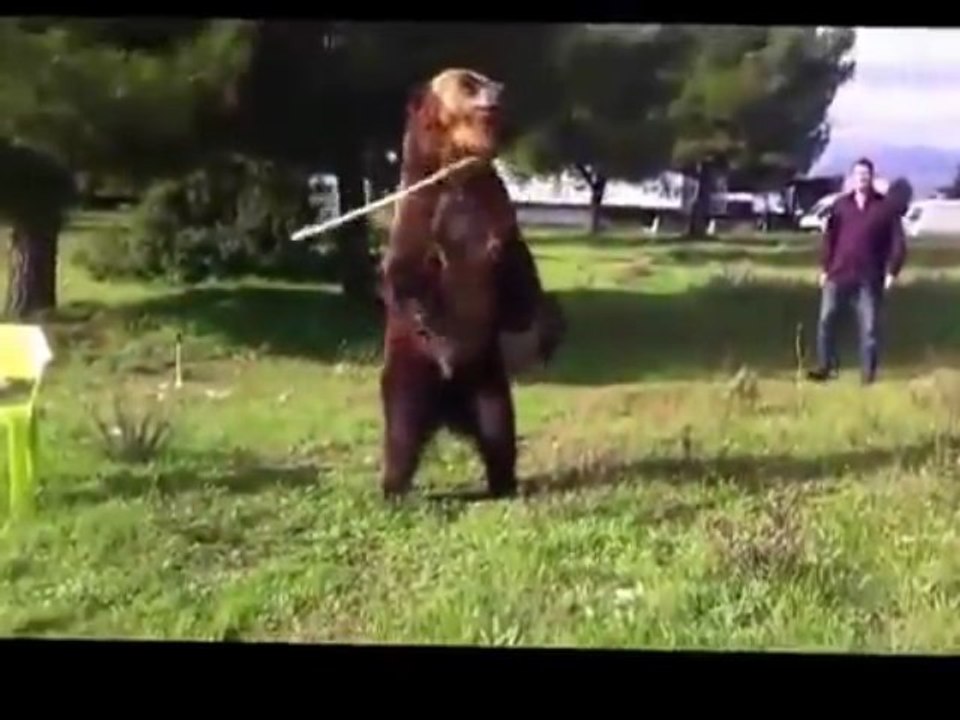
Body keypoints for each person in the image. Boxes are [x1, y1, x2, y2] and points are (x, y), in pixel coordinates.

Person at [806, 158, 909, 385]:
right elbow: (829, 239)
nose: (862, 178)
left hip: (868, 277)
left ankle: (868, 375)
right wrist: (825, 268)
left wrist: (892, 272)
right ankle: (826, 367)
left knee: (869, 327)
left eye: (866, 174)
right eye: (858, 174)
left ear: (872, 177)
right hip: (838, 273)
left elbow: (898, 242)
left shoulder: (885, 207)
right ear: (852, 178)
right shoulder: (841, 205)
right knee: (826, 321)